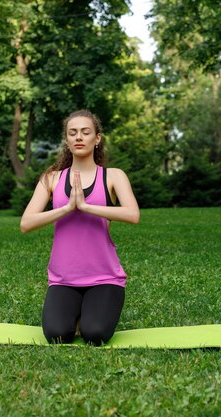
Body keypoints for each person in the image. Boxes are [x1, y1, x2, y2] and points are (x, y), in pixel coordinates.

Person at [20, 109, 140, 345]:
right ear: (66, 140)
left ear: (97, 139)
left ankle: (89, 315)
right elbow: (26, 223)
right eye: (72, 133)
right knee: (56, 335)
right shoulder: (51, 179)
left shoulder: (113, 176)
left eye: (86, 132)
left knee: (95, 334)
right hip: (64, 279)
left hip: (105, 278)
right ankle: (75, 315)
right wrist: (66, 209)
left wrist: (86, 207)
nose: (78, 137)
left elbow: (132, 214)